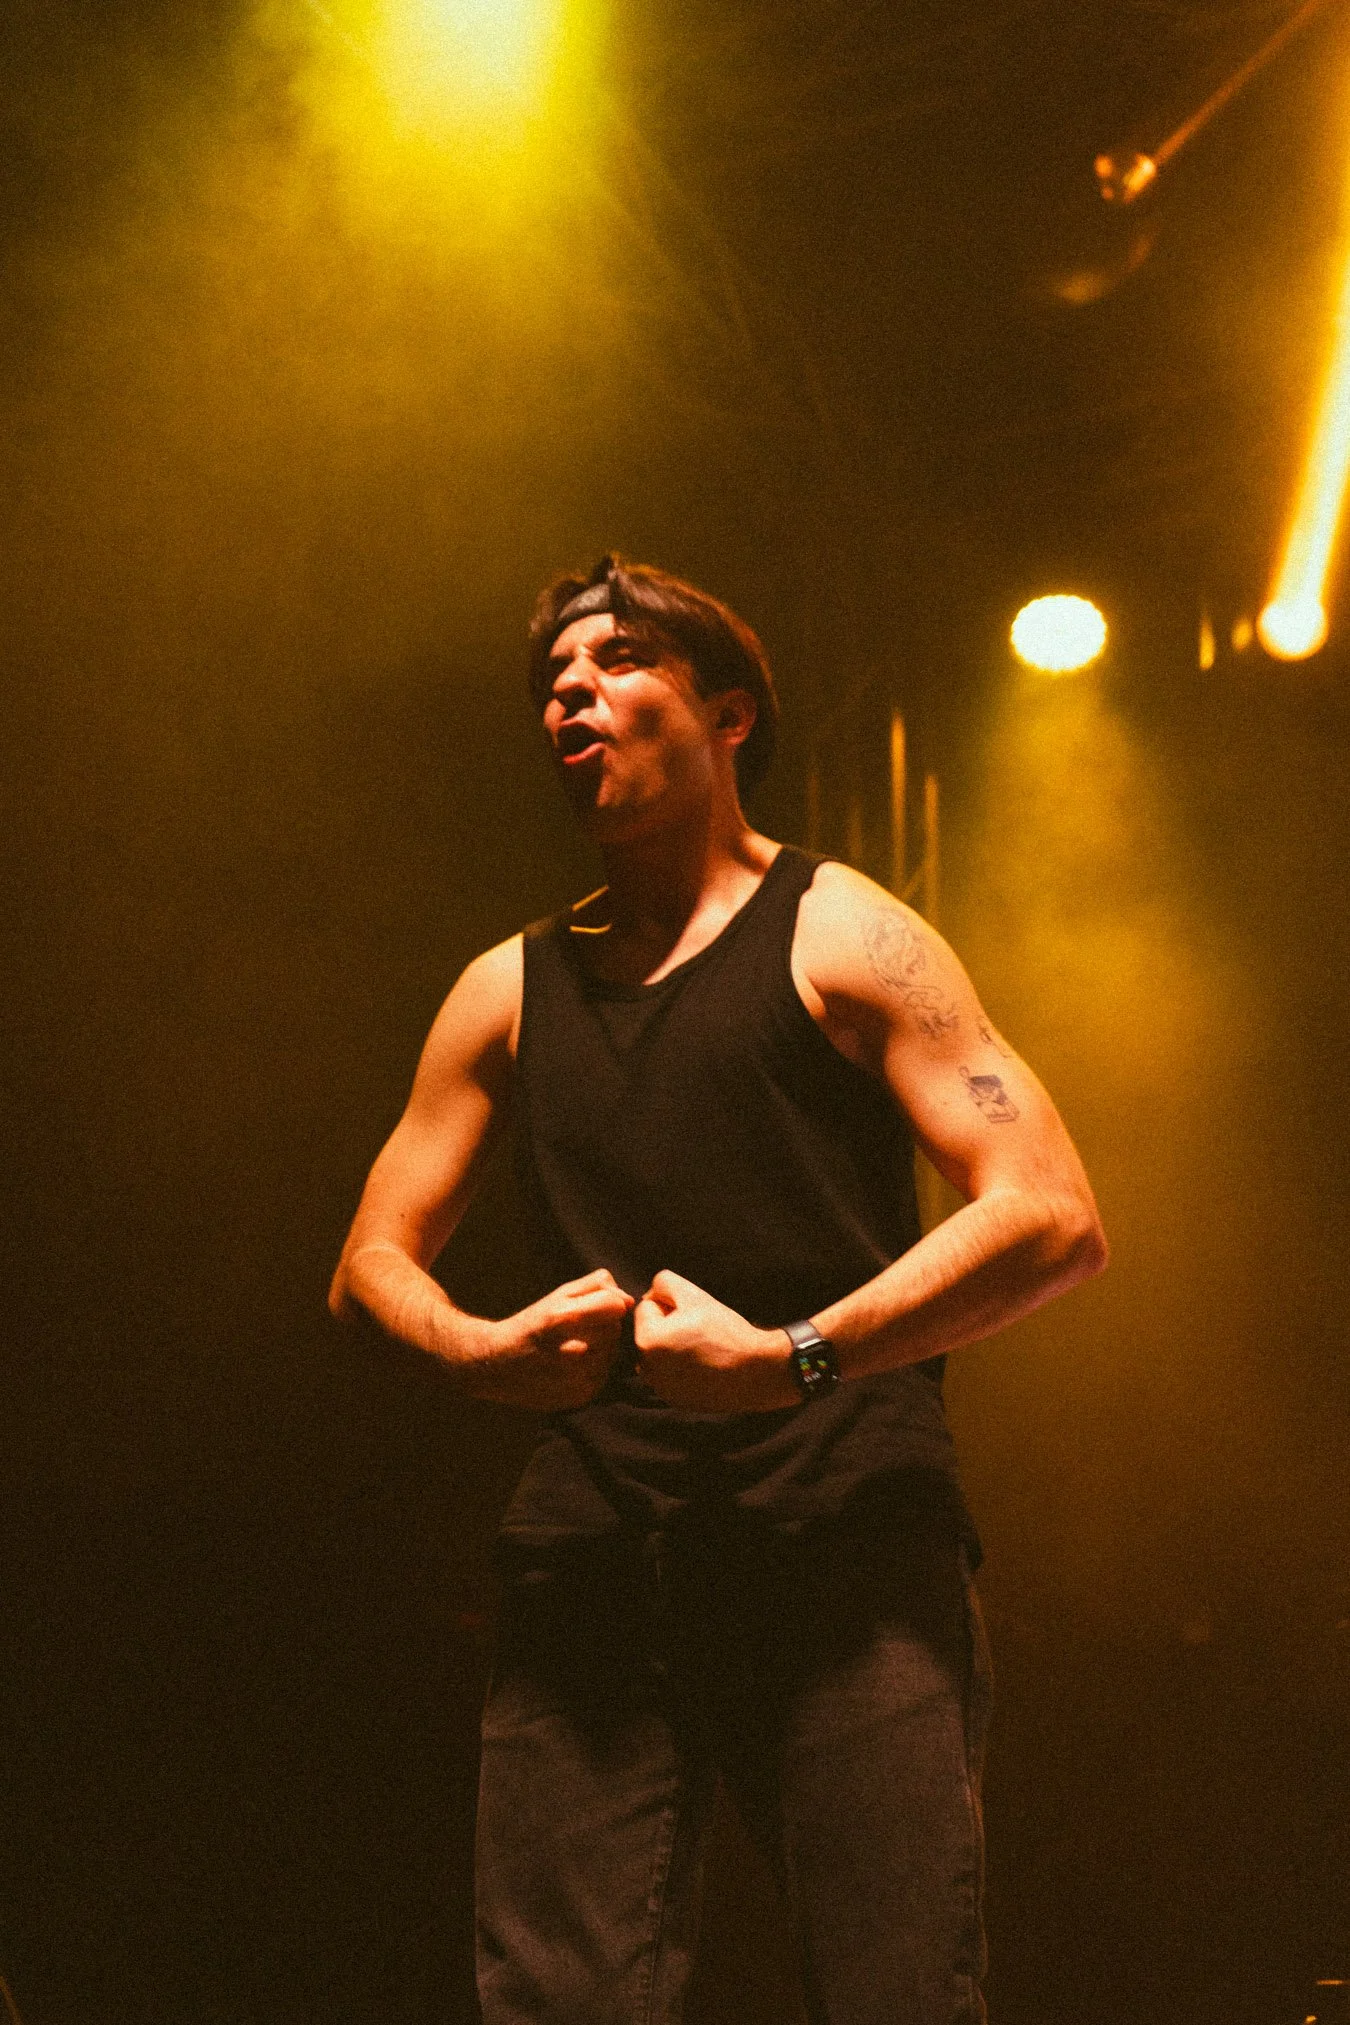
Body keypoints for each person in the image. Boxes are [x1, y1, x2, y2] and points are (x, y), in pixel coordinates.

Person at [329, 555, 1107, 2025]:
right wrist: (482, 1352)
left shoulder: (845, 932)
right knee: (552, 2000)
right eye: (555, 677)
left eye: (620, 660)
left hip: (843, 1527)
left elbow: (1050, 1215)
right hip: (594, 1543)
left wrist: (790, 1357)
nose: (573, 691)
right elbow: (369, 1262)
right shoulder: (506, 987)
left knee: (894, 1990)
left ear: (729, 714)